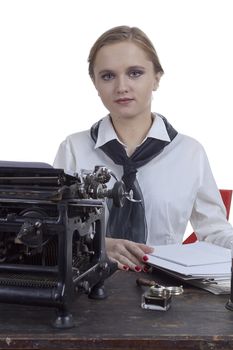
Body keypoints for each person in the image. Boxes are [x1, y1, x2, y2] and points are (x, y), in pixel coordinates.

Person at [53, 25, 233, 272]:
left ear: (156, 78)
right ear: (94, 83)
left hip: (164, 286)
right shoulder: (74, 148)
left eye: (135, 73)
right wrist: (100, 245)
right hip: (88, 285)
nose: (121, 87)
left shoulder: (190, 153)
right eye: (108, 76)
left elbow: (213, 231)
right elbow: (53, 228)